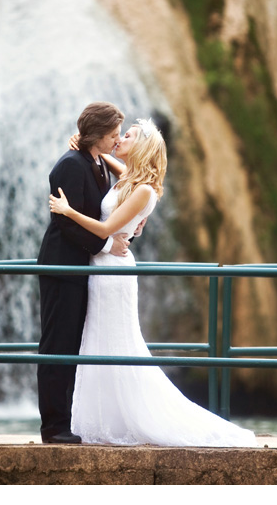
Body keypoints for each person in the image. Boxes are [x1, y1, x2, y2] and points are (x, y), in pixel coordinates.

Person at [49, 118, 258, 447]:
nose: (119, 138)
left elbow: (105, 231)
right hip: (101, 266)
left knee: (117, 344)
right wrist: (88, 144)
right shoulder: (131, 178)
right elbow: (111, 163)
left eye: (127, 135)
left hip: (112, 270)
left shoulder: (143, 190)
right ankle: (104, 418)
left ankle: (129, 417)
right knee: (99, 342)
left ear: (142, 146)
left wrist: (67, 210)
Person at [36, 101, 130, 444]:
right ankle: (53, 427)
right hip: (62, 267)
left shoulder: (96, 161)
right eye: (113, 135)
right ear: (97, 136)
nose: (117, 140)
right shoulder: (70, 166)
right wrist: (107, 246)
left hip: (80, 268)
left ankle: (65, 421)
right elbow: (65, 221)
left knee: (71, 345)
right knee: (57, 345)